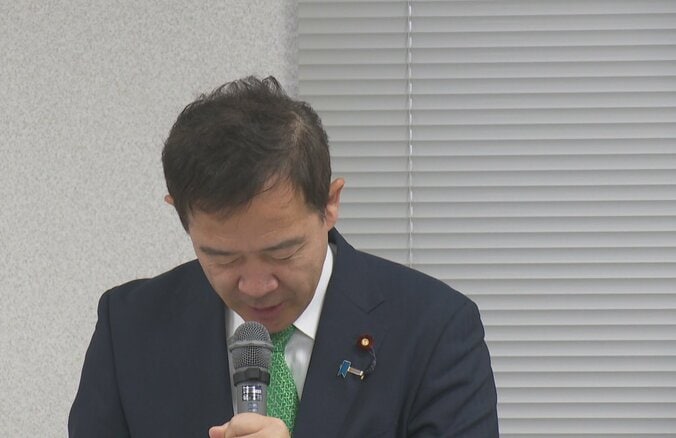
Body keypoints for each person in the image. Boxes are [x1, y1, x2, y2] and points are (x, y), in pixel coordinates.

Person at [68, 76, 498, 437]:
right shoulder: (130, 327)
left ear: (330, 203)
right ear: (178, 213)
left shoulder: (434, 328)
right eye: (222, 257)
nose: (256, 287)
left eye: (282, 252)